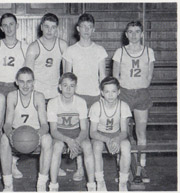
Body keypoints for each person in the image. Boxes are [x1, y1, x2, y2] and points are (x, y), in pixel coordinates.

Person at [63, 13, 108, 181]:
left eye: (90, 27)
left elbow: (103, 75)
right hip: (77, 97)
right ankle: (80, 168)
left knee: (92, 135)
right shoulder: (70, 50)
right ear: (78, 29)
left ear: (94, 29)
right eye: (84, 27)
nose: (87, 30)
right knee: (79, 133)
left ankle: (95, 171)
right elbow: (66, 76)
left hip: (95, 96)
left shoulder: (100, 50)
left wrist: (104, 97)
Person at [112, 21, 155, 183]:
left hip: (142, 94)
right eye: (131, 31)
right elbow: (115, 77)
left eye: (137, 31)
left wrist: (140, 87)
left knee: (141, 133)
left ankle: (141, 167)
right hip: (124, 95)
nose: (134, 34)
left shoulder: (149, 52)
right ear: (126, 34)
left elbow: (149, 77)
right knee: (121, 133)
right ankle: (120, 168)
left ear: (142, 34)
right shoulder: (120, 52)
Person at [0, 13, 28, 178]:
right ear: (1, 28)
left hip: (16, 88)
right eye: (5, 25)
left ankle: (12, 163)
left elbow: (26, 72)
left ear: (17, 26)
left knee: (14, 124)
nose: (9, 28)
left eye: (12, 24)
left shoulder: (24, 47)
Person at [0, 67, 53, 191]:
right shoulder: (12, 96)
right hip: (17, 134)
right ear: (16, 82)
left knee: (48, 140)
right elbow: (7, 124)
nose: (25, 85)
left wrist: (37, 135)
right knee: (3, 139)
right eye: (22, 81)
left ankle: (41, 184)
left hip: (35, 133)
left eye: (29, 81)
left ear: (34, 82)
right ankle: (8, 185)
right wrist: (10, 134)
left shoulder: (39, 96)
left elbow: (45, 125)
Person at [47, 72, 96, 191]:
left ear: (76, 87)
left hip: (76, 133)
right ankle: (53, 185)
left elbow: (84, 129)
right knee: (57, 147)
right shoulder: (53, 103)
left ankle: (92, 185)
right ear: (59, 87)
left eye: (72, 86)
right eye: (65, 85)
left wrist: (76, 142)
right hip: (60, 134)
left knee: (88, 146)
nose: (68, 89)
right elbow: (53, 130)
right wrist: (68, 141)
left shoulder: (80, 102)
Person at [89, 76, 132, 191]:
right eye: (107, 92)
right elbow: (92, 132)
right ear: (102, 93)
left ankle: (123, 182)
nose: (110, 95)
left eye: (113, 91)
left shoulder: (123, 106)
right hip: (100, 134)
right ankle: (100, 181)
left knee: (126, 146)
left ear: (118, 92)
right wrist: (107, 140)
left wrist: (116, 139)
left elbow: (124, 131)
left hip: (117, 134)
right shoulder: (96, 106)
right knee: (97, 146)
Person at [25, 13, 68, 101]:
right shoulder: (34, 47)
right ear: (41, 27)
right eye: (46, 27)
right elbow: (28, 75)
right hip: (38, 92)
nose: (49, 30)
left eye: (53, 27)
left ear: (57, 28)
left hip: (56, 93)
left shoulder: (62, 45)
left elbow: (66, 73)